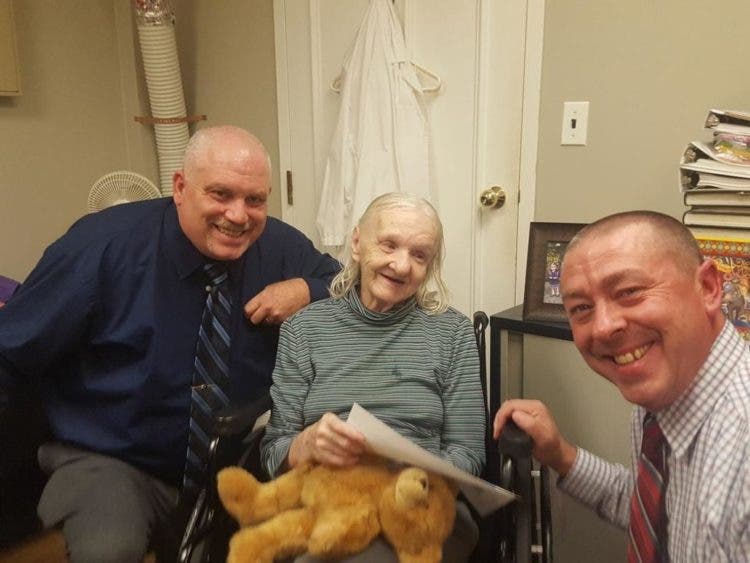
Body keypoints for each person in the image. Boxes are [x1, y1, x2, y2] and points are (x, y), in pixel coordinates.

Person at [0, 126, 340, 563]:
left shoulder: (279, 246)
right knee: (108, 550)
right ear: (180, 187)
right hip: (113, 456)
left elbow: (344, 281)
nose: (238, 215)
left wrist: (305, 288)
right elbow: (10, 351)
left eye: (255, 199)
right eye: (221, 194)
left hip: (233, 456)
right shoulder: (100, 248)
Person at [493, 211, 750, 561]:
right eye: (582, 308)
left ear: (708, 287)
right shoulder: (662, 399)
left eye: (629, 292)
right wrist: (559, 454)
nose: (603, 327)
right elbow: (659, 513)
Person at [261, 192, 486, 562]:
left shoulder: (452, 333)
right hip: (326, 500)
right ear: (356, 243)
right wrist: (304, 445)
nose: (402, 265)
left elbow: (468, 454)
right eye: (389, 245)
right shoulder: (304, 329)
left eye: (419, 255)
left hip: (419, 507)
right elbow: (273, 454)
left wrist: (413, 483)